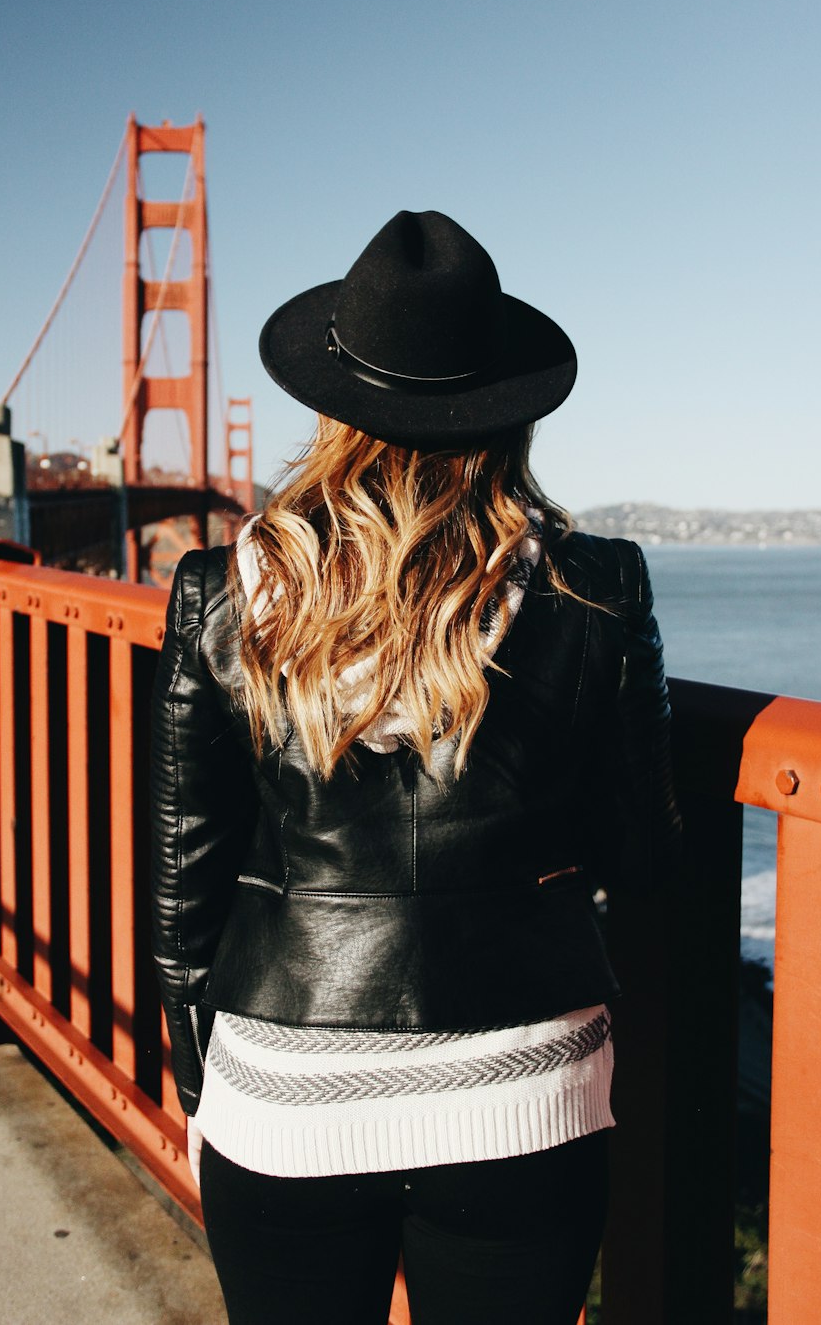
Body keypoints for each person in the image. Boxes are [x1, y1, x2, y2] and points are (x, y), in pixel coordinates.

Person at [150, 210, 681, 1325]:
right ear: (507, 408)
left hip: (283, 1090)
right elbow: (639, 854)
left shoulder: (218, 592)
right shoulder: (599, 589)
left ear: (331, 404)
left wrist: (208, 1079)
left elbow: (183, 885)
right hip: (525, 1091)